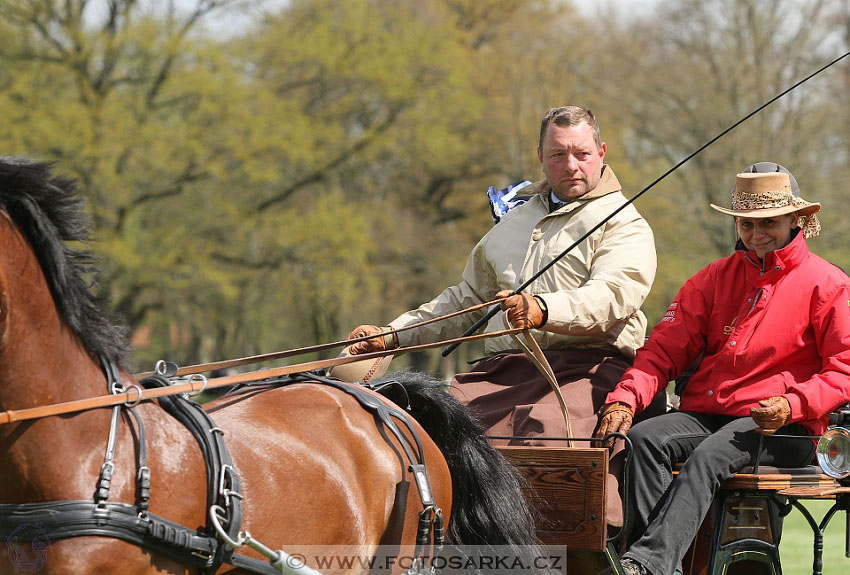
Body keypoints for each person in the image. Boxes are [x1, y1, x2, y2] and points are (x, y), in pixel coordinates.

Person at [346, 105, 660, 525]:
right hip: (499, 370)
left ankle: (577, 556)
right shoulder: (512, 222)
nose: (571, 165)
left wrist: (544, 309)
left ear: (602, 151)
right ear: (540, 156)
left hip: (586, 368)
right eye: (558, 155)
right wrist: (394, 335)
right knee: (422, 430)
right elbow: (465, 299)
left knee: (546, 439)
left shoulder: (625, 222)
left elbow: (615, 294)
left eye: (582, 154)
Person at [594, 163, 850, 575]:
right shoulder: (713, 278)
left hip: (787, 428)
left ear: (795, 218)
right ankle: (658, 564)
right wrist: (625, 398)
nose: (756, 234)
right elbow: (663, 350)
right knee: (643, 438)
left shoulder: (829, 284)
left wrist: (791, 405)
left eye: (767, 223)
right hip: (712, 415)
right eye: (746, 225)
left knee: (710, 455)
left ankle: (645, 566)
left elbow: (844, 372)